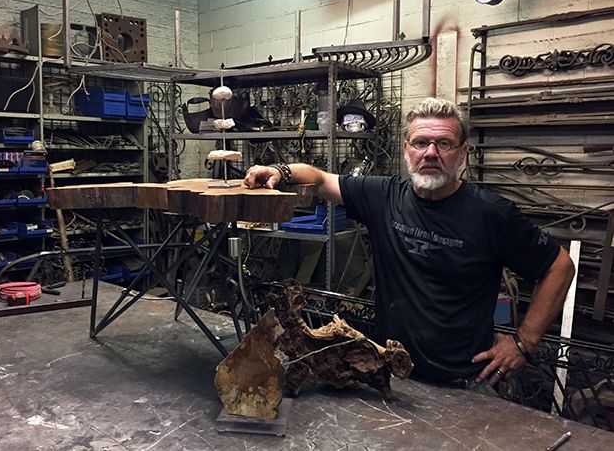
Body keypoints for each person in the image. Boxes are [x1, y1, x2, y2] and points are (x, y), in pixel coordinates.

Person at [244, 97, 575, 390]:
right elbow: (318, 179)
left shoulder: (490, 213)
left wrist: (524, 342)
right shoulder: (383, 196)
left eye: (444, 144)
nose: (431, 153)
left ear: (462, 153)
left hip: (464, 383)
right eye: (421, 143)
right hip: (391, 374)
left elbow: (559, 266)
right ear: (406, 149)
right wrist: (278, 170)